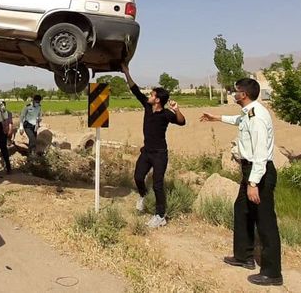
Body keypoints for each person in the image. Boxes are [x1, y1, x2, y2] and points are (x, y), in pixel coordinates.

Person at [200, 78, 283, 287]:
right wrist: (216, 117)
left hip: (259, 172)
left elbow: (261, 154)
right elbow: (239, 121)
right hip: (250, 171)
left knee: (265, 221)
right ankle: (244, 256)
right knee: (242, 210)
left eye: (236, 91)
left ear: (243, 94)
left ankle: (272, 272)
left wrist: (253, 183)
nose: (233, 93)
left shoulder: (256, 118)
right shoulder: (249, 113)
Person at [121, 63, 185, 228]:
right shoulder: (148, 107)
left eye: (152, 94)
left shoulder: (166, 114)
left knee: (158, 184)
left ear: (157, 99)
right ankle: (143, 195)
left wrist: (177, 110)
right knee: (137, 177)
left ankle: (160, 216)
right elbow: (135, 90)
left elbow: (182, 122)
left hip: (159, 154)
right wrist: (126, 72)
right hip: (146, 152)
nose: (149, 95)